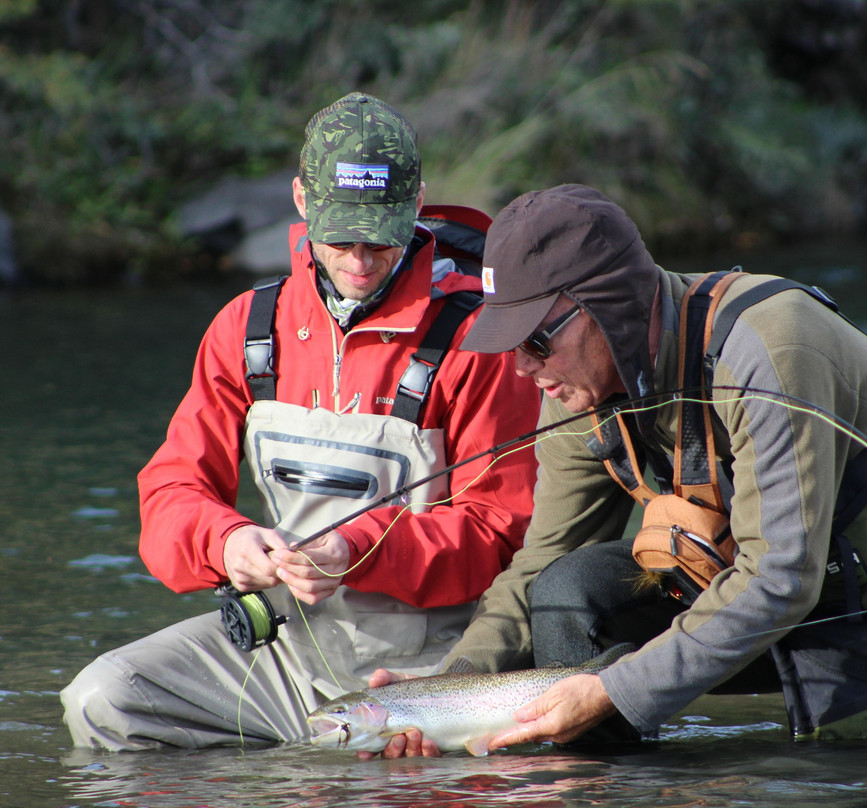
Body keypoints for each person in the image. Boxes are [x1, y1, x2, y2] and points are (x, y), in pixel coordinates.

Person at [378, 182, 867, 756]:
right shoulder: (577, 384)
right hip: (741, 604)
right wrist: (442, 691)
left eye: (535, 342)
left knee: (829, 782)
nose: (520, 368)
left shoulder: (772, 347)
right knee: (568, 592)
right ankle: (604, 786)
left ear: (610, 306)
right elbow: (541, 561)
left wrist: (613, 691)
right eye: (508, 346)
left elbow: (780, 579)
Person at [60, 93, 540, 751]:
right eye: (342, 235)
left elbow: (506, 532)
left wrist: (358, 548)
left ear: (418, 202)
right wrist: (226, 542)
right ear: (301, 201)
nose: (361, 260)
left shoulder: (480, 337)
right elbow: (171, 494)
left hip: (434, 662)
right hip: (285, 649)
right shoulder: (246, 329)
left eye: (380, 235)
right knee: (101, 701)